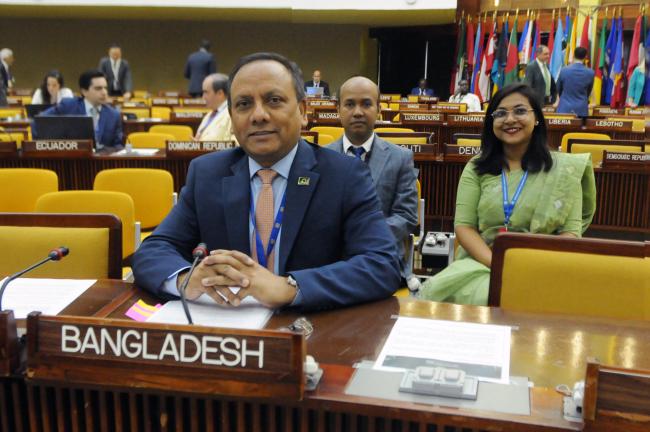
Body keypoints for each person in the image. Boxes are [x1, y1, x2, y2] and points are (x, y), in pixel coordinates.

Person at [132, 52, 400, 311]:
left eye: (273, 100)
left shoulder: (344, 175)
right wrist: (185, 281)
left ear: (303, 111)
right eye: (244, 104)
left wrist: (289, 288)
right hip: (229, 331)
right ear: (232, 117)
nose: (258, 115)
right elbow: (154, 250)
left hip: (312, 332)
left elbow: (382, 264)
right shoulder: (207, 173)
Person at [419, 83, 596, 306]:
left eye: (520, 111)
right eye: (501, 113)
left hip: (545, 265)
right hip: (482, 264)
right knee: (479, 297)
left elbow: (570, 235)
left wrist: (525, 266)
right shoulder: (477, 168)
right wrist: (499, 264)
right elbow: (464, 227)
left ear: (537, 118)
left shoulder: (565, 171)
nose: (510, 119)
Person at [327, 76, 418, 281]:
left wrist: (363, 236)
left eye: (366, 104)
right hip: (328, 261)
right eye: (349, 104)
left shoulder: (400, 158)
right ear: (338, 110)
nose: (358, 112)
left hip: (380, 259)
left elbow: (406, 216)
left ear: (378, 109)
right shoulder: (320, 158)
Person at [39, 70, 123, 150]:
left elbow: (118, 146)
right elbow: (40, 120)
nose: (104, 92)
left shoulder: (114, 115)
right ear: (84, 91)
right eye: (98, 88)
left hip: (102, 162)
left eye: (105, 88)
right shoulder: (68, 106)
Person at [194, 73, 237, 143]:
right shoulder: (210, 114)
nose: (203, 97)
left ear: (220, 93)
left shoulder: (233, 114)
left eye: (206, 92)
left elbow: (234, 146)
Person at [555, 47, 594, 117]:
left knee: (562, 128)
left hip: (564, 109)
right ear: (586, 57)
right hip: (581, 110)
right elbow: (588, 91)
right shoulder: (590, 73)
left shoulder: (564, 70)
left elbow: (558, 89)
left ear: (573, 55)